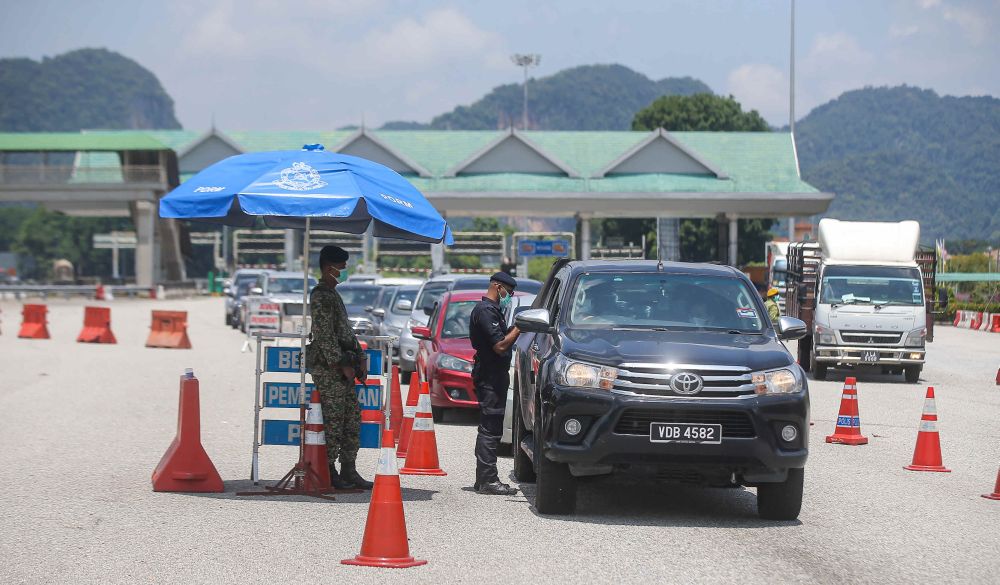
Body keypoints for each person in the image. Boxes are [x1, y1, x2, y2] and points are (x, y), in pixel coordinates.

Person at [306, 245, 373, 490]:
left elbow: (344, 331)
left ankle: (349, 470)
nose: (344, 271)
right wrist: (340, 364)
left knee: (351, 421)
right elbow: (324, 336)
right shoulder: (321, 295)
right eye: (341, 267)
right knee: (333, 422)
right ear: (328, 268)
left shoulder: (333, 294)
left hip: (342, 370)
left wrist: (359, 357)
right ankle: (328, 471)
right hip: (329, 370)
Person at [468, 272, 521, 495]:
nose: (509, 296)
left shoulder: (493, 311)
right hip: (490, 377)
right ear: (497, 286)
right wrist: (519, 327)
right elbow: (499, 346)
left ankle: (483, 478)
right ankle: (488, 480)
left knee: (491, 427)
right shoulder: (486, 311)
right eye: (508, 292)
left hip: (494, 375)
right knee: (490, 429)